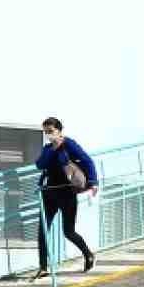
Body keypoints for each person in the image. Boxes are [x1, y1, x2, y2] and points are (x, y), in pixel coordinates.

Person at [34, 117, 98, 278]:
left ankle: (88, 254)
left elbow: (87, 161)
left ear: (59, 130)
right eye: (46, 132)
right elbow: (40, 164)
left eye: (51, 131)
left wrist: (93, 182)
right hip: (49, 193)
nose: (48, 135)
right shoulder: (48, 148)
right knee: (43, 230)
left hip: (67, 193)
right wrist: (53, 149)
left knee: (68, 231)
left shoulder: (70, 144)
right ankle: (43, 267)